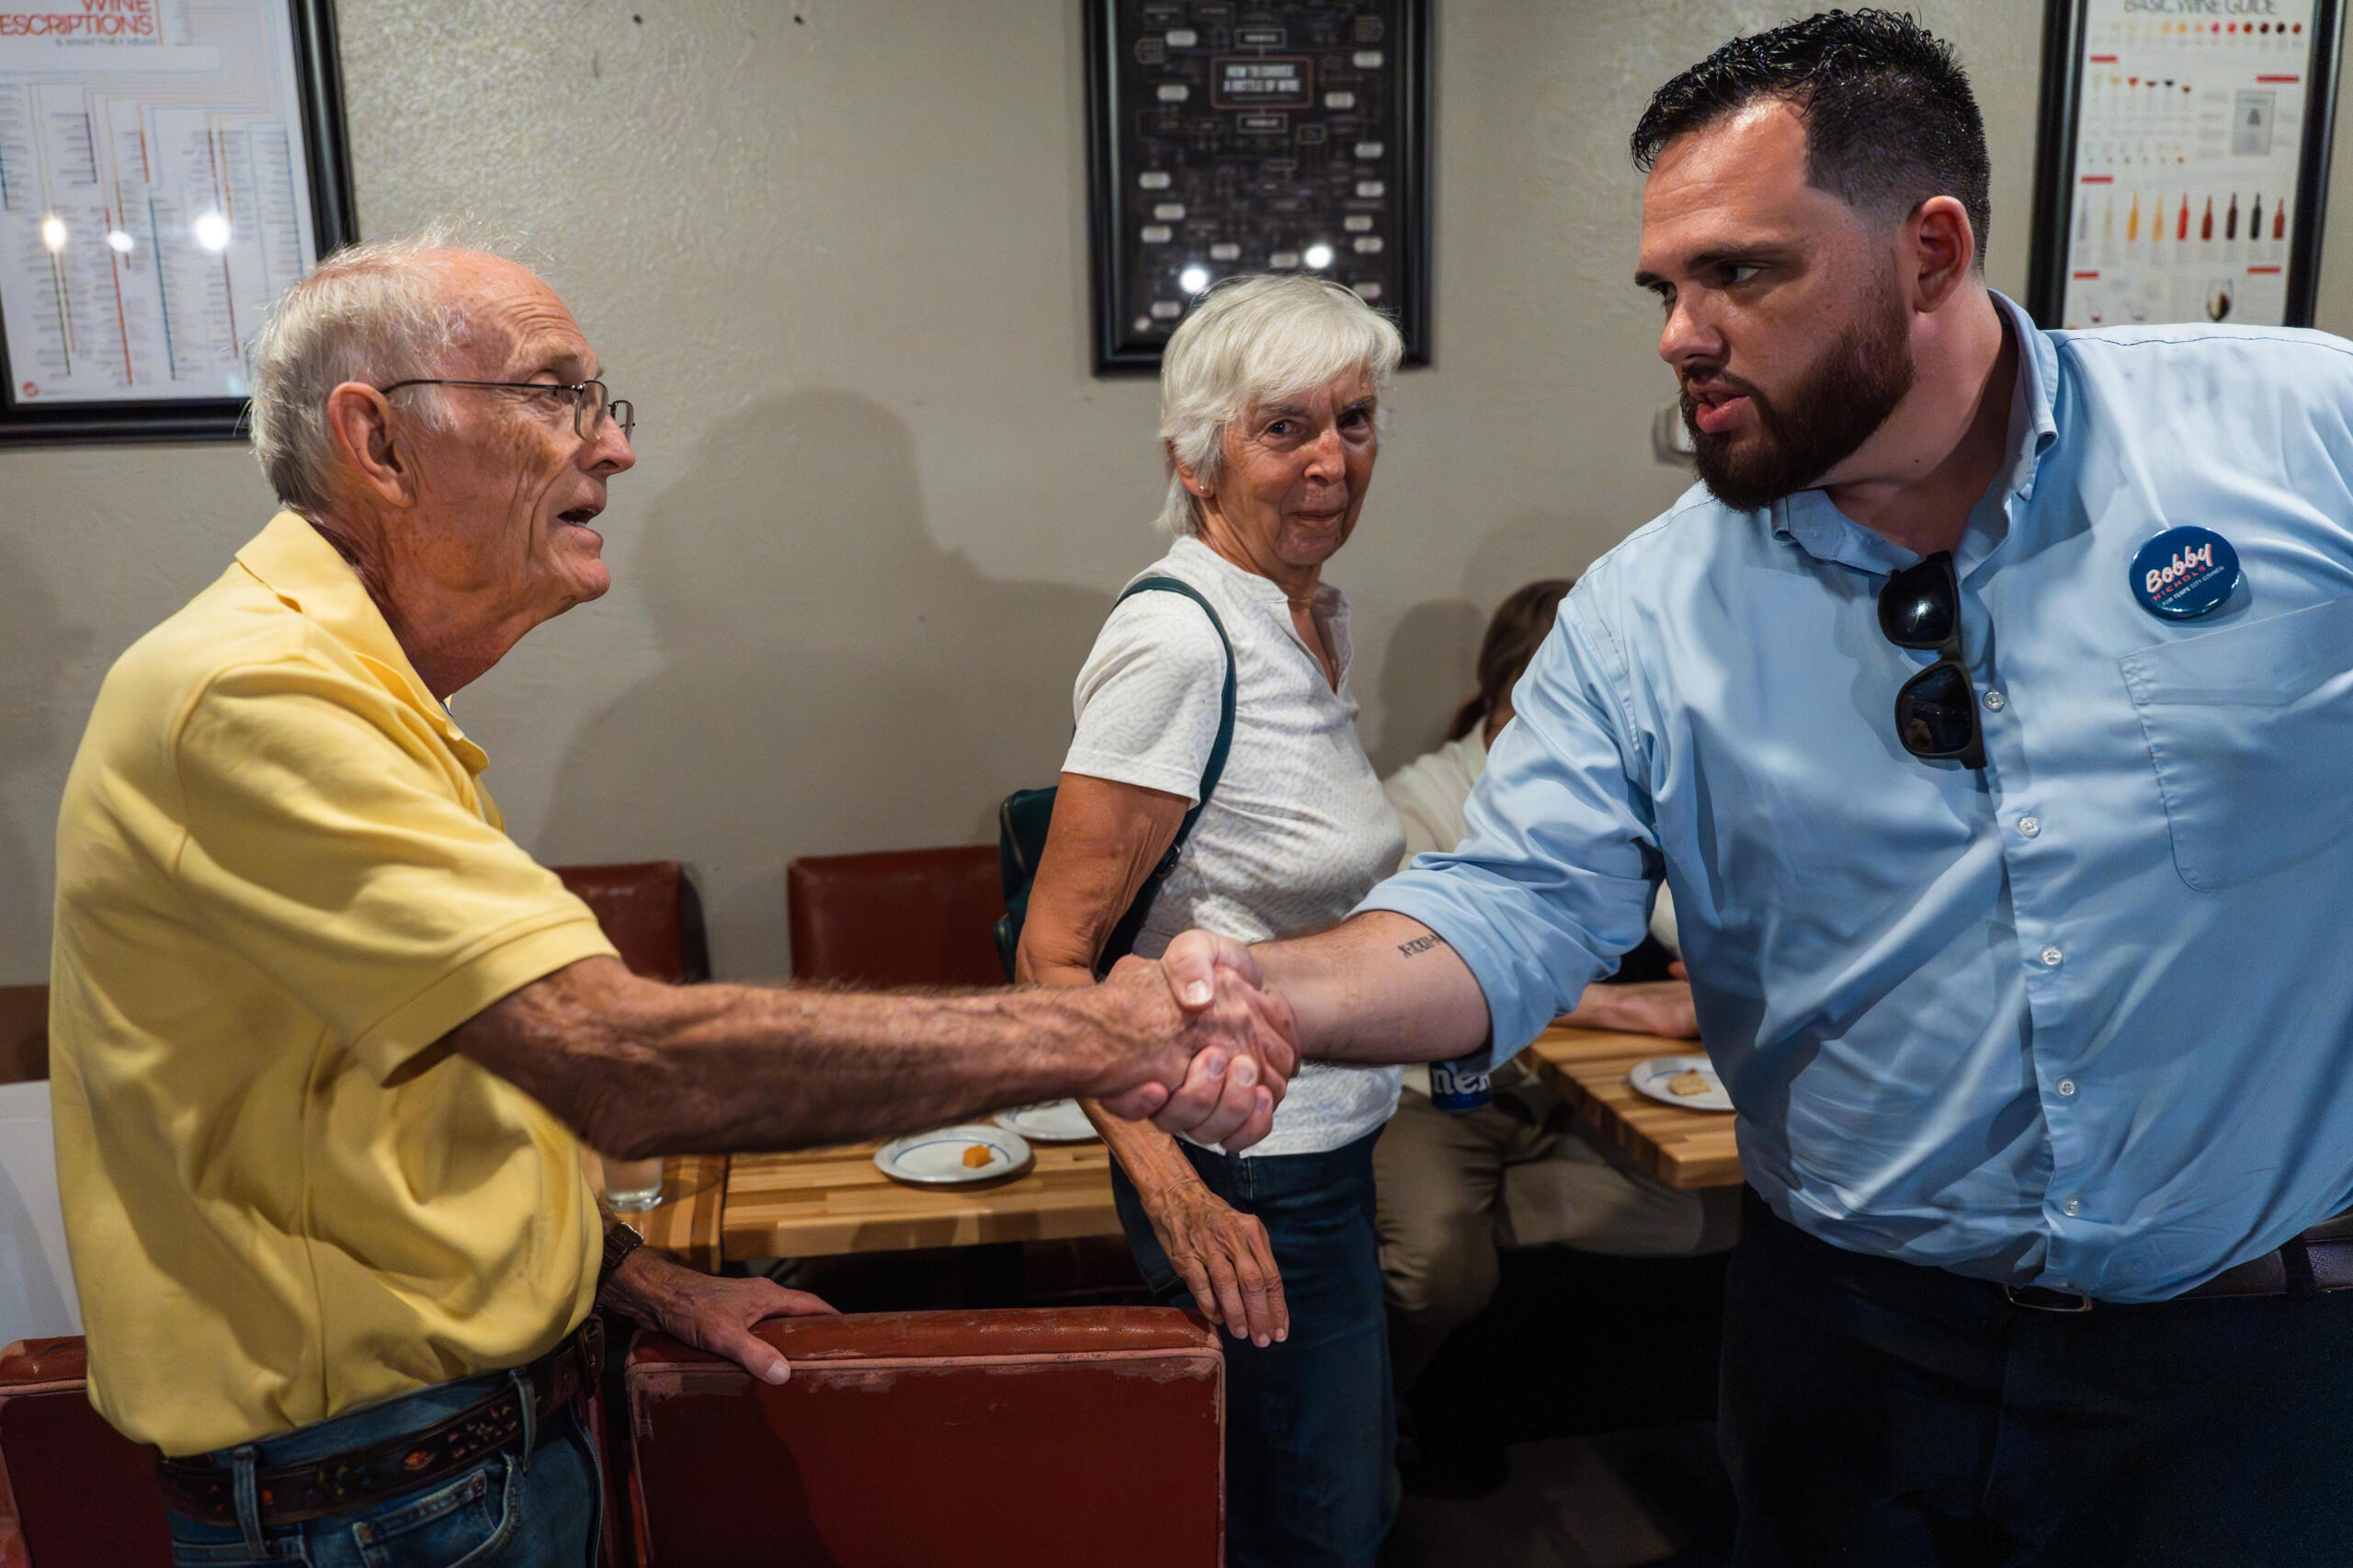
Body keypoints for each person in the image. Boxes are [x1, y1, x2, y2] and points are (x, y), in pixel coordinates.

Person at [1148, 11, 2353, 1564]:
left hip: (2243, 1367)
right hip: (1850, 1356)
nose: (1678, 332)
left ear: (1929, 249)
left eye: (1742, 273)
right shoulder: (1647, 611)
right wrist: (1267, 994)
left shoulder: (2296, 440)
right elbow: (1507, 908)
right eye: (1665, 286)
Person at [48, 232, 1291, 1568]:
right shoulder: (257, 694)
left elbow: (414, 1115)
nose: (612, 447)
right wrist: (1116, 1032)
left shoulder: (360, 691)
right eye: (551, 394)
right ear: (379, 440)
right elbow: (615, 1061)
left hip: (460, 1466)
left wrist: (635, 1280)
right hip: (378, 1512)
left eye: (601, 400)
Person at [1015, 273, 1403, 1568]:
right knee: (1310, 1532)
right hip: (1246, 1174)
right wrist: (1175, 1192)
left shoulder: (1307, 615)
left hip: (1322, 1148)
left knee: (1328, 1509)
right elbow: (1053, 958)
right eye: (1284, 427)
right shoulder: (1185, 644)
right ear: (1197, 457)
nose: (1330, 461)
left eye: (1354, 420)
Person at [1374, 579, 1734, 1411]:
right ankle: (1380, 1423)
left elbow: (1694, 923)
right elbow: (1433, 975)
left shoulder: (1610, 789)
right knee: (1437, 1267)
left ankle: (1486, 1220)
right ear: (1497, 698)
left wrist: (1726, 981)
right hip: (1430, 1098)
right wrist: (1623, 1008)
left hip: (1556, 1098)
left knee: (1716, 1214)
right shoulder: (1417, 802)